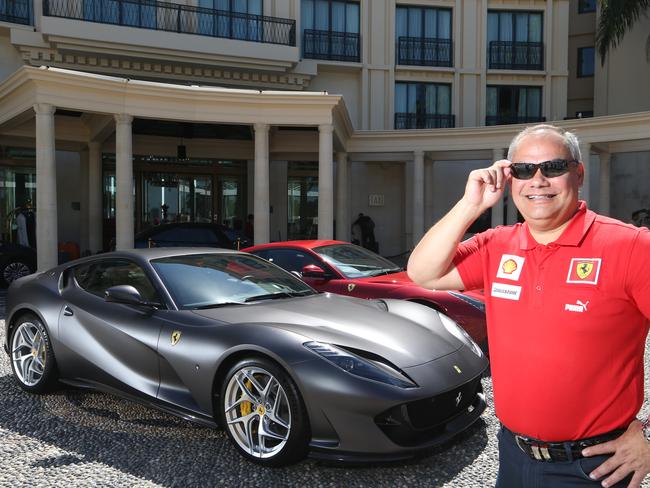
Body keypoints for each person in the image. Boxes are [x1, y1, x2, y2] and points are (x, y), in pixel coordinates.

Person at [407, 124, 650, 488]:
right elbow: (423, 272)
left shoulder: (630, 246)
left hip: (593, 467)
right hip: (514, 457)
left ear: (578, 174)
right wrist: (470, 205)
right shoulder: (497, 244)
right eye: (523, 170)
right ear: (509, 180)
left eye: (552, 168)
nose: (537, 180)